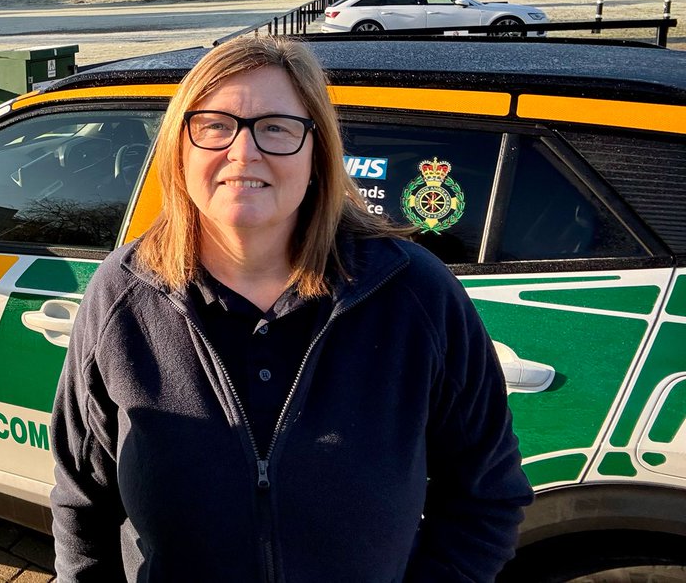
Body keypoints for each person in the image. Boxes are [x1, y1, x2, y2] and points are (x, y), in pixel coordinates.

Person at [50, 36, 533, 582]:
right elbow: (81, 505)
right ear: (178, 150)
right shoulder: (121, 294)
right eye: (213, 125)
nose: (242, 152)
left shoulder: (415, 293)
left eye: (276, 128)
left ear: (317, 154)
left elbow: (487, 496)